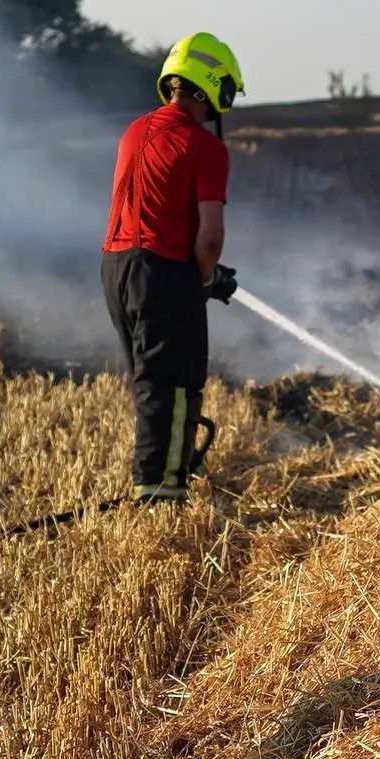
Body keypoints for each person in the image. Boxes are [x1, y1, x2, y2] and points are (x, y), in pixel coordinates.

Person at [101, 32, 243, 502]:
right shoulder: (206, 148)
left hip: (118, 268)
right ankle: (162, 492)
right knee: (177, 384)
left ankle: (154, 482)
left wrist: (197, 273)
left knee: (149, 381)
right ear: (213, 86)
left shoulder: (134, 130)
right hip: (162, 270)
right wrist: (204, 276)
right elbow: (211, 237)